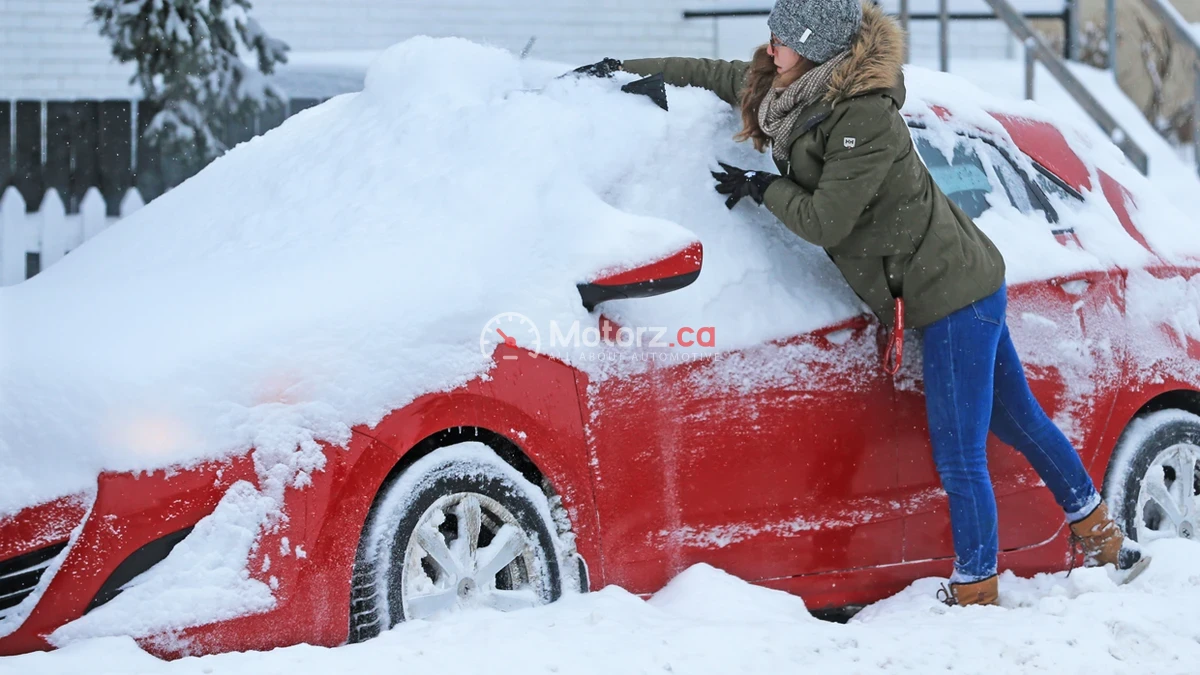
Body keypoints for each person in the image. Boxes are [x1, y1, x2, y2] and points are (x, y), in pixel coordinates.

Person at [573, 0, 1148, 606]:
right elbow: (712, 72)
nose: (771, 45)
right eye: (772, 33)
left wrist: (765, 187)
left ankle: (977, 586)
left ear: (818, 48)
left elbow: (827, 219)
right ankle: (1106, 539)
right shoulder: (785, 84)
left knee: (960, 451)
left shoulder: (864, 119)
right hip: (957, 279)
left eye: (784, 38)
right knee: (1017, 419)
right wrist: (621, 66)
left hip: (950, 293)